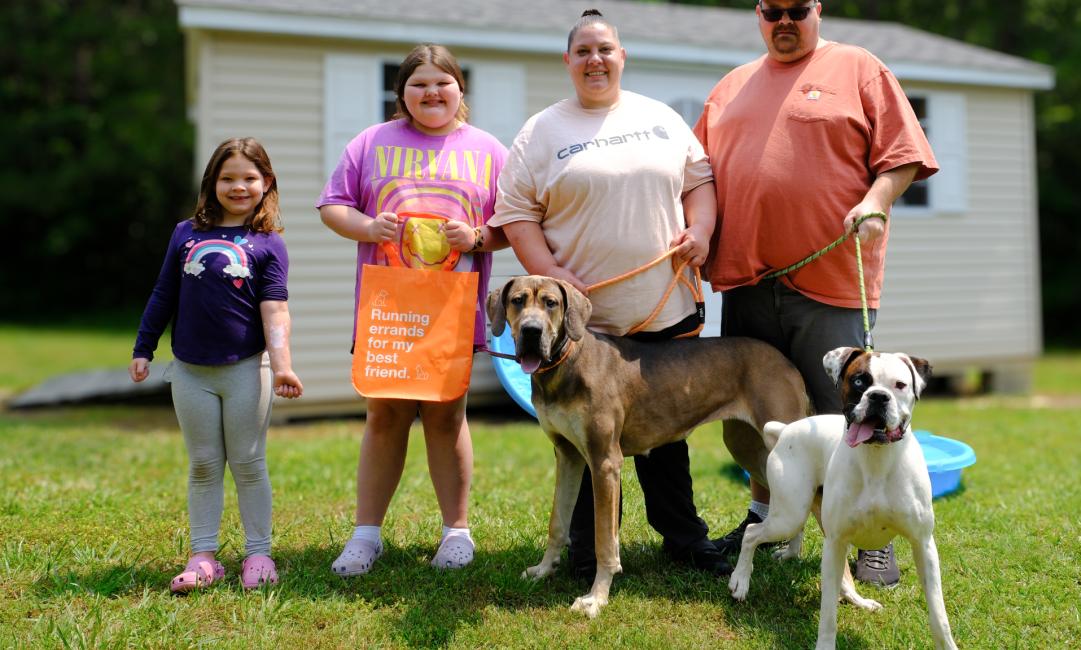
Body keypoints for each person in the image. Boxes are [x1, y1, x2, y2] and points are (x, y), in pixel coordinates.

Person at [693, 0, 938, 587]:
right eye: (771, 10)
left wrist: (876, 202)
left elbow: (902, 157)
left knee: (850, 416)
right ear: (758, 13)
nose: (784, 20)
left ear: (817, 10)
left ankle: (871, 541)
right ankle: (768, 514)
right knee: (753, 418)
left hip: (831, 283)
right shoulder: (731, 87)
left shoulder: (859, 68)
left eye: (796, 9)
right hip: (748, 282)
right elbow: (695, 175)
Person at [489, 9, 730, 582]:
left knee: (665, 436)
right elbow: (517, 214)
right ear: (568, 61)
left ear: (622, 57)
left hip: (662, 309)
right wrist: (555, 289)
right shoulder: (541, 130)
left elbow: (699, 181)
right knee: (584, 439)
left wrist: (701, 231)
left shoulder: (661, 118)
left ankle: (684, 539)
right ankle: (588, 550)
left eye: (606, 49)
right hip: (580, 327)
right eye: (584, 51)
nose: (595, 60)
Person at [318, 43, 508, 575]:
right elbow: (334, 204)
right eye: (419, 83)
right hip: (389, 308)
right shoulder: (371, 143)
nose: (432, 92)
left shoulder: (489, 150)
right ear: (402, 93)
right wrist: (367, 227)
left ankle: (456, 534)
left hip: (453, 306)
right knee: (385, 414)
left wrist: (475, 236)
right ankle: (365, 536)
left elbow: (513, 223)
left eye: (442, 82)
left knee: (448, 415)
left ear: (459, 89)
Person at [131, 137, 304, 593]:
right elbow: (164, 293)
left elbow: (275, 310)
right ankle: (203, 556)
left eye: (249, 177)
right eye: (228, 177)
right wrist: (143, 347)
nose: (239, 186)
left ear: (266, 183)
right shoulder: (184, 233)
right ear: (213, 183)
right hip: (190, 371)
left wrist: (282, 365)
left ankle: (259, 553)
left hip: (247, 370)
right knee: (204, 464)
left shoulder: (269, 244)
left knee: (248, 462)